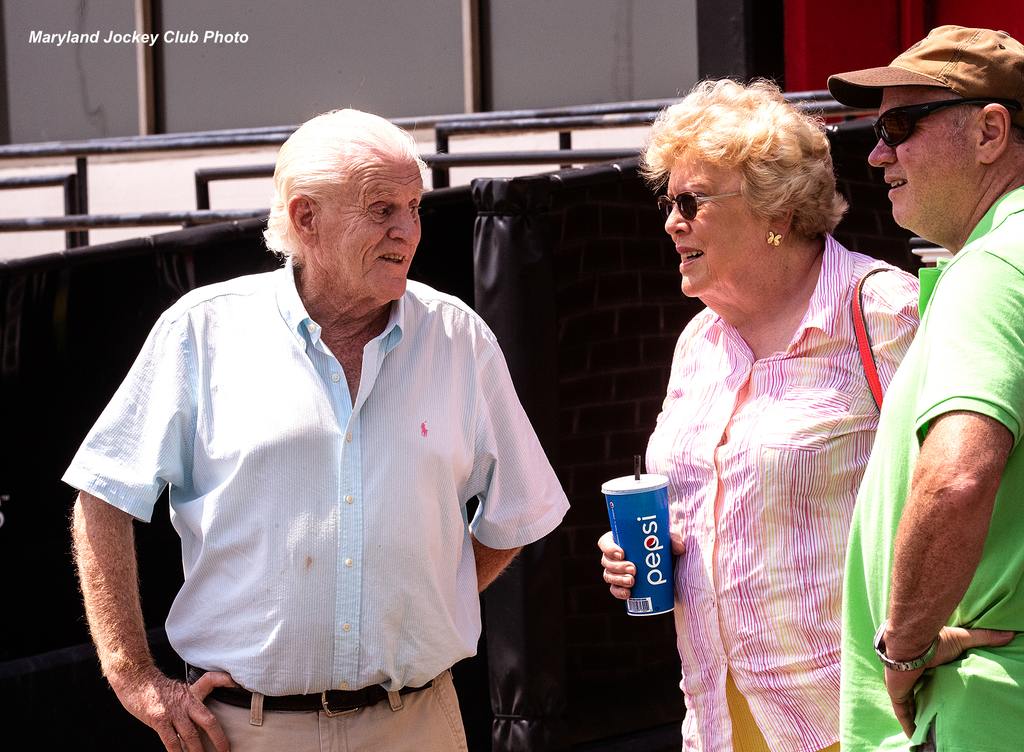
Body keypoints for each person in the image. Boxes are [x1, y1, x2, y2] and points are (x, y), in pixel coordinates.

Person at [65, 108, 569, 752]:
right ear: (306, 218)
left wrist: (419, 601)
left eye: (414, 206)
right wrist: (133, 676)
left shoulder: (457, 337)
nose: (408, 231)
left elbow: (520, 511)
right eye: (382, 208)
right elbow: (102, 493)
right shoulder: (204, 331)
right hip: (245, 733)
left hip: (414, 724)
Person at [598, 79, 920, 751]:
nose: (671, 221)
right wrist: (653, 551)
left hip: (856, 721)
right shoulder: (700, 342)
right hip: (719, 720)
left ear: (775, 211)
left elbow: (968, 489)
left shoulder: (883, 312)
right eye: (668, 201)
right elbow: (709, 506)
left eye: (691, 201)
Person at [828, 25, 1024, 752]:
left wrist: (904, 651)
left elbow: (956, 477)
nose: (877, 153)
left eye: (900, 126)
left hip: (983, 703)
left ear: (990, 132)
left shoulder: (995, 265)